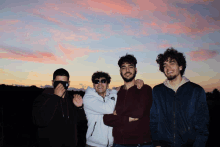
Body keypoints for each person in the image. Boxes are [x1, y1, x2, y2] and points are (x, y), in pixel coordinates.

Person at [150, 48, 209, 147]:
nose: (168, 68)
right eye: (165, 65)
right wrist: (156, 143)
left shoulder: (196, 90)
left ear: (180, 66)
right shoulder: (157, 91)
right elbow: (153, 120)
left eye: (172, 63)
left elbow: (202, 125)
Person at [83, 71, 144, 147]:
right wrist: (114, 93)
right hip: (94, 144)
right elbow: (108, 109)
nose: (100, 84)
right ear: (93, 85)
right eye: (96, 81)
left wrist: (136, 82)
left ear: (107, 84)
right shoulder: (88, 98)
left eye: (103, 81)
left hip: (112, 144)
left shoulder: (112, 95)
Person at [103, 54, 153, 147]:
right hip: (119, 143)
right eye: (124, 67)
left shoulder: (145, 89)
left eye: (130, 67)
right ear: (120, 71)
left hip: (141, 143)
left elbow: (139, 112)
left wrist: (117, 115)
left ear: (136, 70)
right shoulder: (115, 93)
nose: (127, 70)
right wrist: (127, 118)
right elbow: (106, 119)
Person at [32, 68, 85, 147]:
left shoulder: (71, 100)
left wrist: (80, 108)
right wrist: (55, 97)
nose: (61, 86)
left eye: (64, 83)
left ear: (68, 83)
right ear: (53, 83)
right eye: (58, 83)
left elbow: (81, 123)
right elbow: (39, 121)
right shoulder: (42, 98)